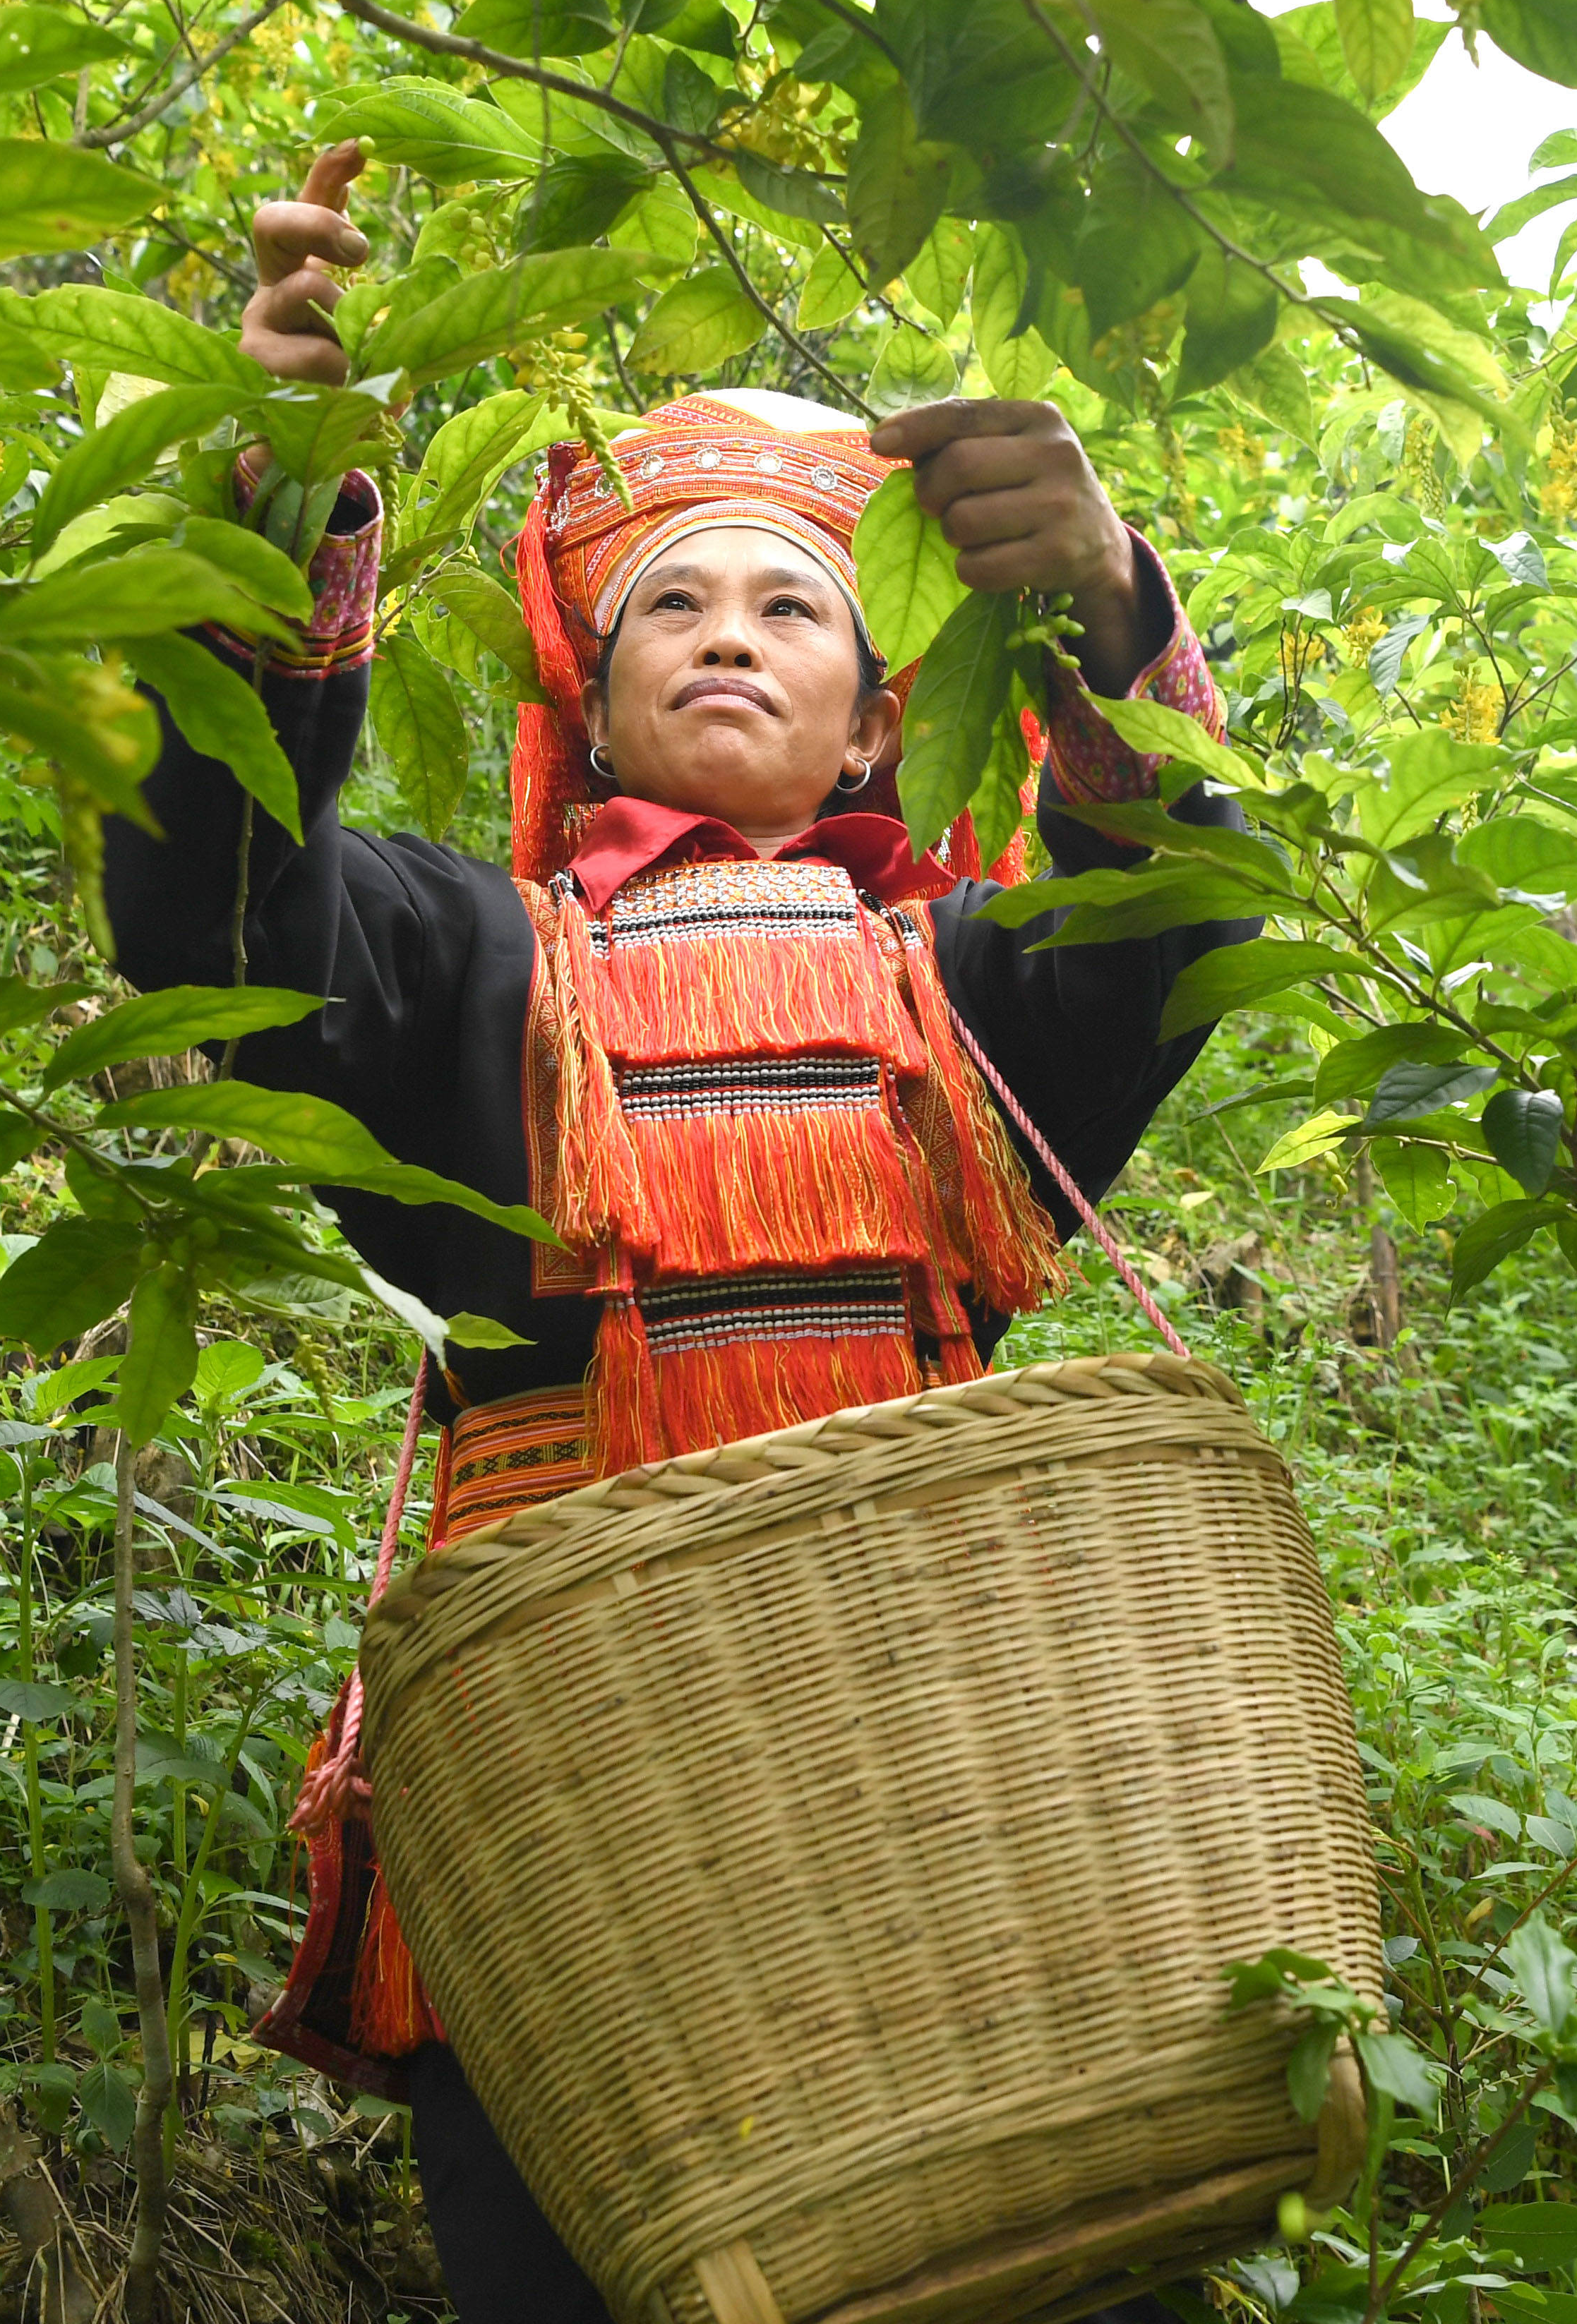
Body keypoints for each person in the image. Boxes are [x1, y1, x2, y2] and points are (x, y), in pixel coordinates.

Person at [102, 142, 1247, 2320]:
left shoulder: (981, 990)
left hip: (949, 1753)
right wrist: (277, 505)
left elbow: (1188, 921)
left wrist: (1109, 600)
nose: (728, 634)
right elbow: (219, 912)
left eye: (791, 605)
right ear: (595, 699)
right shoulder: (465, 961)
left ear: (881, 713)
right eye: (673, 611)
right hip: (575, 1785)